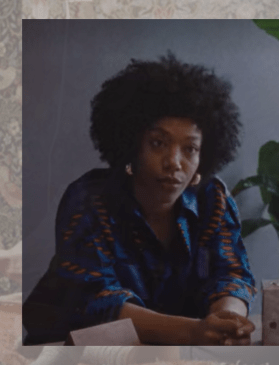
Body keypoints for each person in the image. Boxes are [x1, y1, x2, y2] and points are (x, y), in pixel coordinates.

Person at [23, 53, 256, 346]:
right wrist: (195, 332)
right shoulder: (89, 201)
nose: (174, 162)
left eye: (190, 149)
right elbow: (99, 303)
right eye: (158, 143)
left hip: (172, 351)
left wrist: (227, 320)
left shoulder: (214, 199)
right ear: (131, 144)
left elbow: (231, 275)